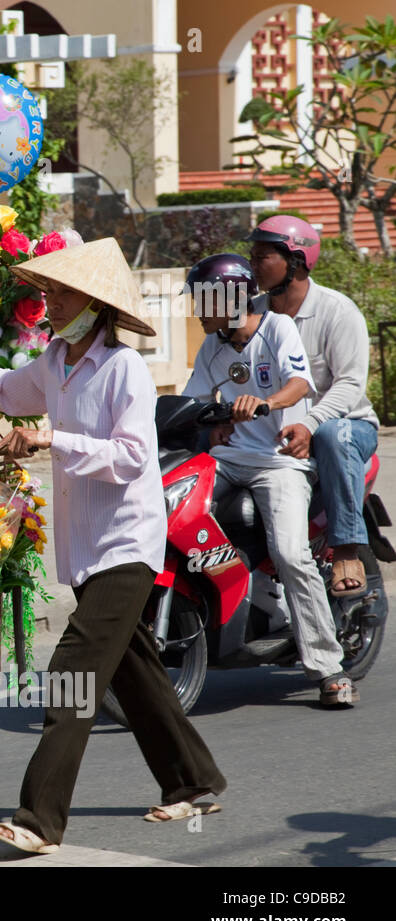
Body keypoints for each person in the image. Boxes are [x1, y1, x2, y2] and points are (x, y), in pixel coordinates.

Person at [0, 238, 227, 855]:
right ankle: (194, 781)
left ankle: (40, 819)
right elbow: (1, 390)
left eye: (62, 292)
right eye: (47, 290)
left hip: (126, 543)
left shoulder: (123, 368)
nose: (48, 301)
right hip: (85, 547)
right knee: (137, 671)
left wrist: (54, 439)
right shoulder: (53, 361)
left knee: (71, 673)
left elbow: (131, 458)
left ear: (94, 305)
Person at [182, 253, 354, 708]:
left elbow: (299, 384)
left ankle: (328, 668)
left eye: (204, 301)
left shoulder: (277, 327)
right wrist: (203, 423)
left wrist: (264, 402)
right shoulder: (212, 348)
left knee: (291, 554)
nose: (197, 311)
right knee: (177, 523)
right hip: (228, 460)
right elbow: (192, 400)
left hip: (279, 463)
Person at [246, 215, 380, 598]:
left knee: (331, 435)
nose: (253, 265)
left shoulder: (338, 311)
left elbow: (350, 384)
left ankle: (347, 551)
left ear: (297, 261)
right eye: (251, 256)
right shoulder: (251, 313)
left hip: (347, 427)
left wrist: (308, 421)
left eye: (262, 256)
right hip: (274, 432)